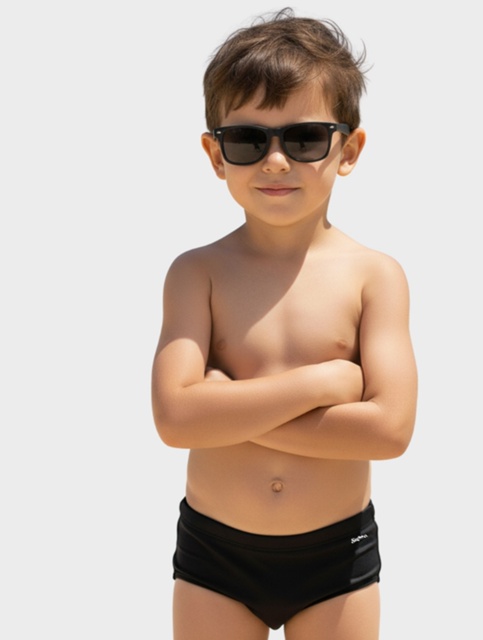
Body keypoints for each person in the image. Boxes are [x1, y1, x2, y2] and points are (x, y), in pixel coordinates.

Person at [151, 8, 418, 639]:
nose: (275, 162)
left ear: (348, 150)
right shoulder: (197, 273)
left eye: (304, 139)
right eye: (248, 140)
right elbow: (175, 420)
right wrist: (323, 383)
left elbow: (390, 430)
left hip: (336, 556)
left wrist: (228, 410)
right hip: (216, 554)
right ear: (216, 155)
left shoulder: (374, 276)